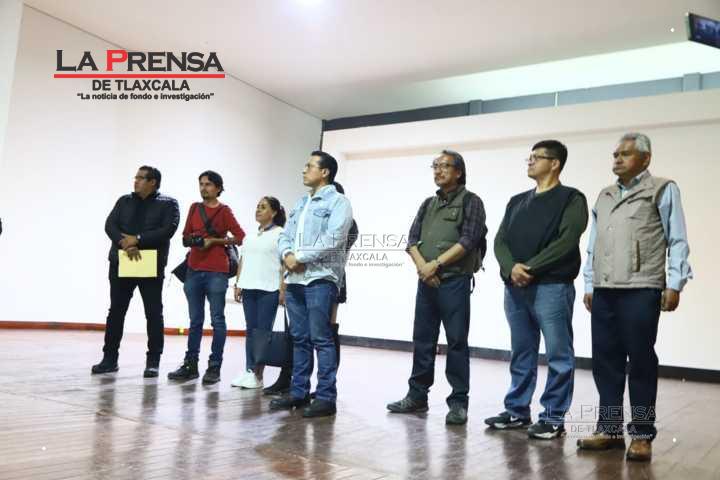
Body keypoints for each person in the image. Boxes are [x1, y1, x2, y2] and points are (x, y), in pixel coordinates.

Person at [576, 133, 693, 461]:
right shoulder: (605, 195)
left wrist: (675, 283)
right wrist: (590, 284)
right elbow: (594, 244)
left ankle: (641, 434)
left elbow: (677, 238)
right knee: (605, 361)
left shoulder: (662, 189)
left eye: (625, 154)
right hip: (604, 289)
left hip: (641, 288)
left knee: (640, 361)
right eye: (615, 154)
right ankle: (610, 429)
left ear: (645, 158)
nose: (617, 159)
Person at [484, 140, 588, 439]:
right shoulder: (517, 201)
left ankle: (553, 418)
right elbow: (500, 240)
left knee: (558, 355)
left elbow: (566, 241)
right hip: (515, 289)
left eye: (536, 157)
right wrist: (511, 269)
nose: (529, 162)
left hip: (552, 287)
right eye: (528, 157)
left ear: (555, 163)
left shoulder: (571, 199)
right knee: (521, 352)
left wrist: (528, 268)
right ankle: (517, 411)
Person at [386, 149, 487, 426]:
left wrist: (436, 265)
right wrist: (423, 268)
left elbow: (468, 240)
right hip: (426, 281)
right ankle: (417, 396)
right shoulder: (427, 203)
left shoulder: (471, 201)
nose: (438, 170)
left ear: (459, 172)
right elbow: (411, 240)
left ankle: (458, 403)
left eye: (444, 166)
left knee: (456, 342)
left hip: (454, 281)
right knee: (422, 340)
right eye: (435, 166)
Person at [270, 151, 353, 418]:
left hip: (320, 279)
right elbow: (285, 235)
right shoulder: (301, 202)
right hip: (294, 280)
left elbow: (334, 238)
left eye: (309, 166)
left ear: (325, 172)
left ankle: (326, 397)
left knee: (321, 339)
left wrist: (300, 258)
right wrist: (287, 255)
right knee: (299, 339)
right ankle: (298, 392)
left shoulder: (339, 202)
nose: (304, 170)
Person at [92, 166, 180, 377]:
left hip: (150, 264)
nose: (136, 181)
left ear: (153, 182)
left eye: (141, 178)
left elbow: (167, 230)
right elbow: (110, 225)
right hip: (122, 260)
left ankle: (153, 362)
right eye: (136, 177)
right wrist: (125, 243)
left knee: (153, 313)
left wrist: (138, 240)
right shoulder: (124, 201)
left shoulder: (168, 203)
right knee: (116, 311)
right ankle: (109, 359)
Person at [168, 171, 245, 384]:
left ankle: (214, 366)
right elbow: (184, 237)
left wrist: (215, 241)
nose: (204, 188)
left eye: (208, 184)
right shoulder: (194, 208)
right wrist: (195, 240)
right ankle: (190, 365)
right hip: (194, 268)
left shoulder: (224, 211)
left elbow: (240, 237)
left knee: (217, 319)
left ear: (218, 188)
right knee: (195, 321)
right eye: (201, 184)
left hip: (217, 271)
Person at [231, 196, 286, 389]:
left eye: (263, 207)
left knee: (263, 332)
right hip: (249, 287)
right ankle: (249, 370)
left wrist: (283, 288)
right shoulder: (250, 236)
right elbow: (243, 260)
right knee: (250, 330)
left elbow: (284, 264)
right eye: (257, 206)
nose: (258, 210)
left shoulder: (281, 234)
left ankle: (258, 375)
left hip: (269, 289)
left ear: (274, 212)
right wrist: (238, 283)